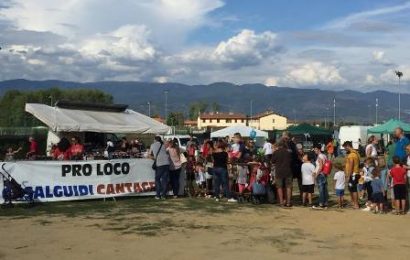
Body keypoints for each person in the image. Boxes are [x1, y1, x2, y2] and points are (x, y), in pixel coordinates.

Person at [272, 141, 293, 207]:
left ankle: (281, 203)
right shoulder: (289, 153)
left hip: (279, 172)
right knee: (288, 187)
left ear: (278, 146)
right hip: (288, 171)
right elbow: (291, 161)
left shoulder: (276, 152)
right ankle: (288, 202)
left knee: (279, 187)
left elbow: (272, 161)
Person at [343, 141, 361, 209]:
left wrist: (348, 175)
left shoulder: (351, 155)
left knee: (353, 189)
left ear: (348, 146)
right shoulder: (356, 153)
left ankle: (356, 204)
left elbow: (351, 165)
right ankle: (353, 202)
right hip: (355, 173)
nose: (345, 149)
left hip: (353, 174)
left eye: (345, 147)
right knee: (351, 188)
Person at [312, 144, 329, 209]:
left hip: (320, 174)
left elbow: (321, 166)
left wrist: (316, 174)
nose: (315, 150)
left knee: (321, 189)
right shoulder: (324, 155)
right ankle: (325, 202)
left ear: (318, 149)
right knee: (324, 189)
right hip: (324, 174)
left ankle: (321, 203)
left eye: (315, 149)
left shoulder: (319, 156)